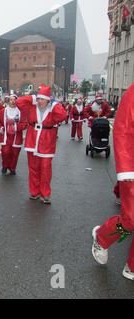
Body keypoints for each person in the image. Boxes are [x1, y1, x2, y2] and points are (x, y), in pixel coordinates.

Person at [92, 83, 134, 281]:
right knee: (130, 220)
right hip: (132, 169)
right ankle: (102, 236)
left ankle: (132, 266)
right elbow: (123, 130)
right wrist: (126, 170)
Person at [16, 86, 68, 205]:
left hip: (47, 141)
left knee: (45, 169)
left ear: (48, 100)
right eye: (38, 99)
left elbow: (62, 116)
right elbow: (19, 101)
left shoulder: (53, 109)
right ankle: (34, 192)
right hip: (32, 139)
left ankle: (45, 194)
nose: (40, 101)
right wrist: (33, 97)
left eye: (42, 99)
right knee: (33, 168)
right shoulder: (32, 106)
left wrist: (55, 105)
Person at [0, 93, 27, 176]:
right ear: (8, 101)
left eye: (14, 99)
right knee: (5, 152)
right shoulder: (3, 111)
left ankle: (12, 168)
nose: (13, 101)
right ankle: (5, 166)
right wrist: (1, 128)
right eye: (11, 100)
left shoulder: (21, 112)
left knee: (15, 153)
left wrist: (16, 126)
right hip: (6, 136)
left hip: (16, 136)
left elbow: (24, 123)